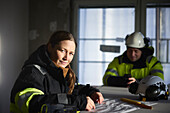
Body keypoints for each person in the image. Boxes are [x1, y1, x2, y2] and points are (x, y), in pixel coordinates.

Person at [10, 30, 104, 113]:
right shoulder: (32, 72)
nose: (66, 58)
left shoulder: (62, 72)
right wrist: (76, 101)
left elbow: (71, 90)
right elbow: (34, 104)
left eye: (71, 53)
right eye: (62, 50)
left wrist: (90, 92)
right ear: (50, 47)